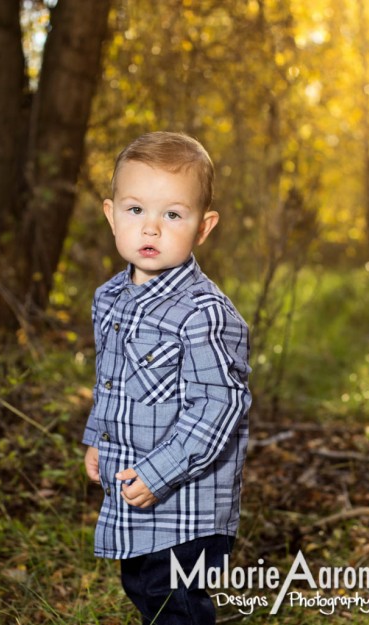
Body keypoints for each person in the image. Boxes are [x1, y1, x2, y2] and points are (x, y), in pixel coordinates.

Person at [82, 131, 251, 624]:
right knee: (142, 586)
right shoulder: (110, 299)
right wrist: (99, 439)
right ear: (111, 215)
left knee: (173, 602)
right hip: (135, 496)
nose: (151, 228)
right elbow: (111, 381)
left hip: (188, 507)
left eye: (172, 215)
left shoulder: (204, 314)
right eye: (136, 211)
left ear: (203, 227)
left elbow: (219, 406)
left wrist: (160, 474)